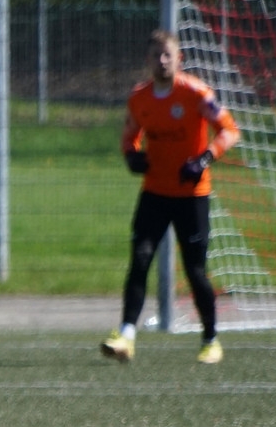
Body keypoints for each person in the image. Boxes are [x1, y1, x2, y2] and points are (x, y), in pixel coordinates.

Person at [101, 29, 240, 364]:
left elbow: (230, 130)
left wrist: (205, 159)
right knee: (140, 259)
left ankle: (211, 340)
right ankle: (126, 335)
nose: (162, 61)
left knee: (195, 271)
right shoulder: (139, 99)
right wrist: (131, 156)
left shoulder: (196, 94)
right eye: (156, 55)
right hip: (154, 193)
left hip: (192, 196)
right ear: (148, 60)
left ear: (180, 59)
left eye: (168, 55)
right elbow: (129, 137)